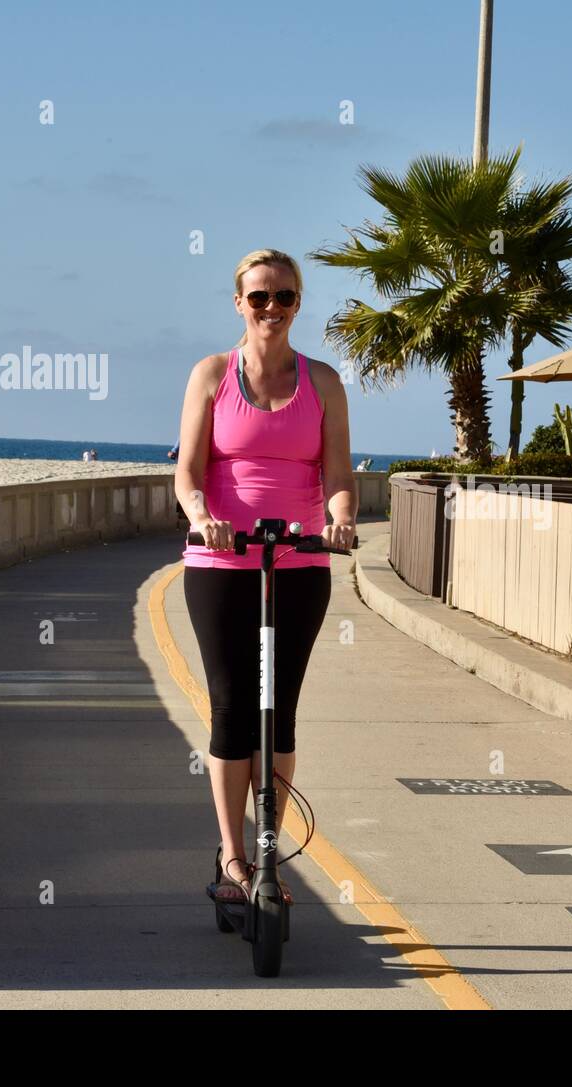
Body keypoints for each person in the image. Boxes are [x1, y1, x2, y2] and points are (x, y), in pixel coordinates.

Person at [175, 248, 356, 903]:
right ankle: (232, 857)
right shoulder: (212, 374)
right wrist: (202, 516)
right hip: (222, 561)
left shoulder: (324, 382)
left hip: (300, 561)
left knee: (277, 717)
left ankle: (267, 852)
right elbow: (188, 471)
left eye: (284, 297)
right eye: (259, 297)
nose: (271, 308)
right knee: (232, 711)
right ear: (239, 304)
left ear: (298, 303)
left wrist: (338, 518)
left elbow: (338, 474)